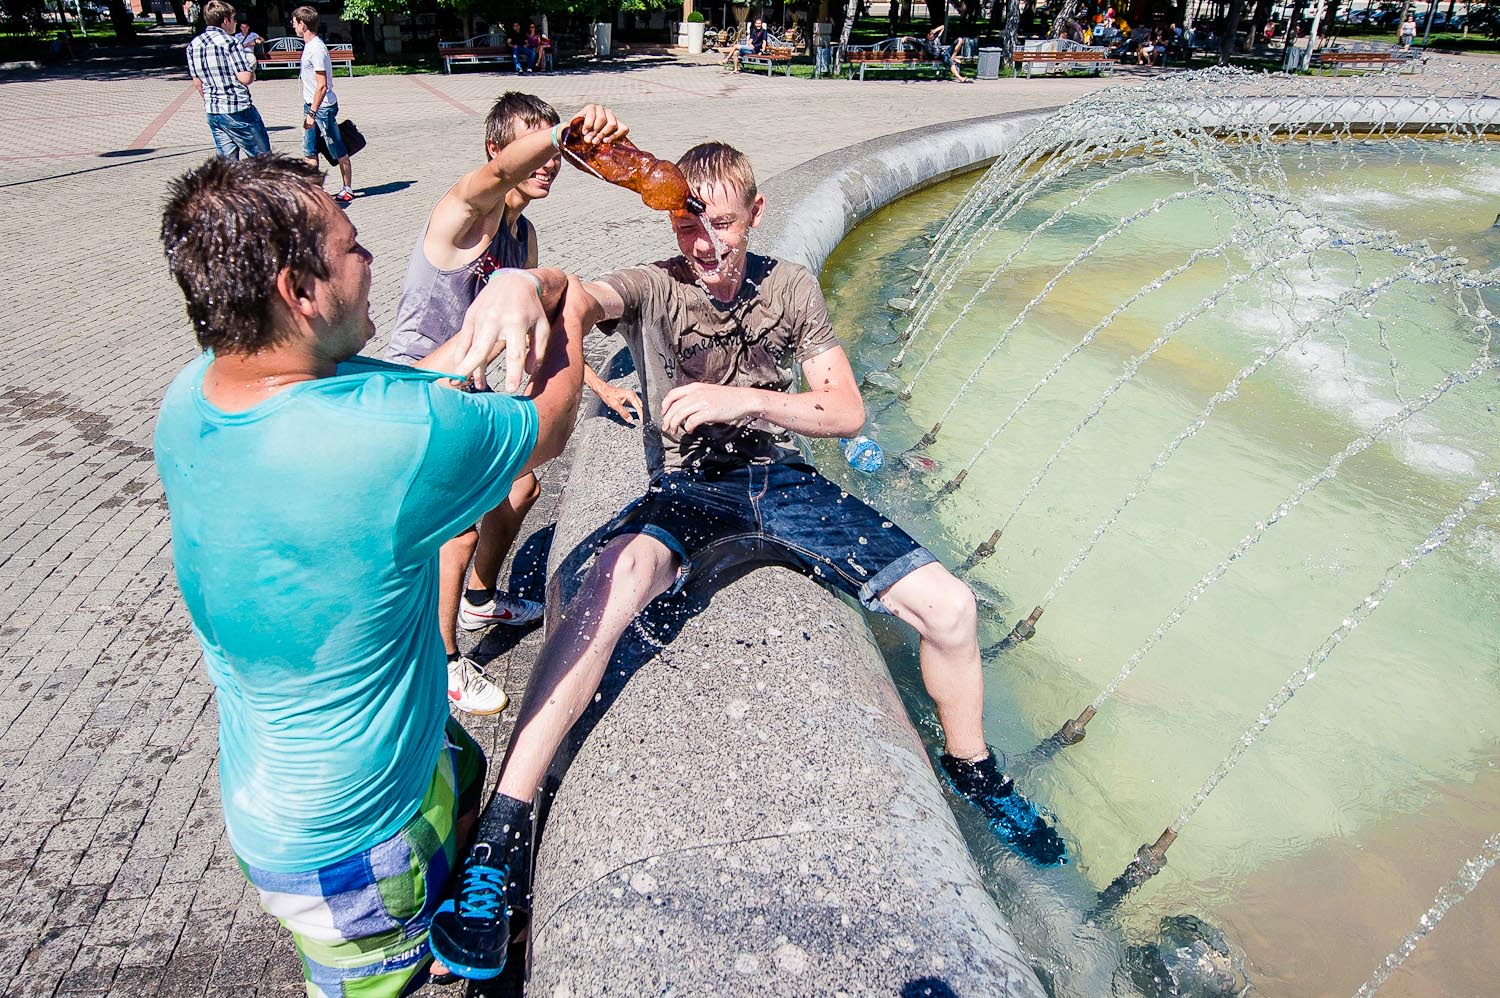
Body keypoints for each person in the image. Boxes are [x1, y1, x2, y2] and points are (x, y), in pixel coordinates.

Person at [426, 142, 1065, 982]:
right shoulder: (657, 284)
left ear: (755, 215)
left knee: (952, 609)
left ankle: (974, 771)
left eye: (722, 224)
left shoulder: (790, 287)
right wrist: (522, 282)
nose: (705, 243)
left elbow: (844, 409)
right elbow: (579, 294)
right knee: (608, 589)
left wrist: (743, 398)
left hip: (782, 481)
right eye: (688, 225)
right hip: (689, 489)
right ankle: (504, 834)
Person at [154, 153, 594, 997]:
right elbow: (550, 419)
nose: (369, 257)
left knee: (466, 775)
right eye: (350, 246)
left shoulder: (194, 396)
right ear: (299, 290)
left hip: (356, 761)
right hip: (356, 840)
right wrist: (564, 297)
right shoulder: (387, 443)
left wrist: (511, 286)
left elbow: (415, 382)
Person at [385, 94, 642, 715]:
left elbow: (534, 325)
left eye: (555, 152)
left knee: (522, 489)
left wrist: (601, 386)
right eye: (537, 147)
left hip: (472, 392)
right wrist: (563, 132)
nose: (550, 162)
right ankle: (442, 662)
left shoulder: (522, 235)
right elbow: (501, 175)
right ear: (496, 150)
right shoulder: (463, 214)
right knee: (457, 528)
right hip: (422, 389)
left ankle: (478, 601)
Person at [186, 1, 271, 160]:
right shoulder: (230, 42)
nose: (236, 23)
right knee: (262, 161)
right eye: (234, 19)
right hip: (237, 108)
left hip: (214, 110)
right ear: (225, 21)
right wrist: (251, 71)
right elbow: (245, 77)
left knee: (227, 166)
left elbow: (198, 84)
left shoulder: (194, 44)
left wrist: (211, 100)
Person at [291, 6, 354, 204]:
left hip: (322, 108)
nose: (293, 26)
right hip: (311, 106)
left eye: (294, 23)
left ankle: (347, 188)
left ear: (303, 24)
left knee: (337, 148)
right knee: (309, 150)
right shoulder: (309, 46)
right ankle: (314, 191)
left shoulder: (317, 49)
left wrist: (312, 113)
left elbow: (322, 85)